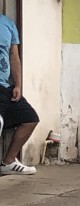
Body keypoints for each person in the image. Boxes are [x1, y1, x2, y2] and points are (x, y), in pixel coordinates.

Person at [0, 13, 39, 174]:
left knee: (30, 118)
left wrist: (18, 85)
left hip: (5, 86)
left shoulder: (8, 24)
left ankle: (8, 162)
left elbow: (14, 55)